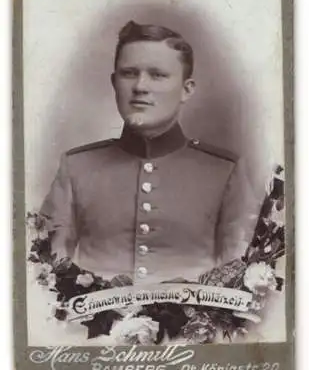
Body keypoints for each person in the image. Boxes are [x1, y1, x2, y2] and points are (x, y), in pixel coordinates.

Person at [40, 20, 258, 285]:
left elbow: (239, 280)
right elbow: (46, 277)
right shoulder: (77, 167)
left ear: (186, 89)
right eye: (129, 73)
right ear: (114, 82)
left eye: (157, 74)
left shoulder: (224, 172)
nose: (141, 86)